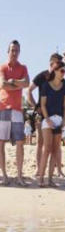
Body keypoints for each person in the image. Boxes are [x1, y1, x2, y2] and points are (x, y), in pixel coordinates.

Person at [26, 52, 62, 180]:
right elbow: (29, 91)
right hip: (42, 114)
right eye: (58, 63)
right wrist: (36, 107)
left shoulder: (60, 76)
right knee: (40, 142)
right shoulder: (43, 76)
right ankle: (38, 167)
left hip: (56, 114)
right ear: (51, 63)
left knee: (56, 144)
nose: (60, 67)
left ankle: (58, 169)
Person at [0, 41, 29, 186]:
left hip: (17, 109)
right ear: (8, 51)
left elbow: (27, 83)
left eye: (17, 50)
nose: (14, 53)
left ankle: (19, 176)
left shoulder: (23, 67)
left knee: (20, 143)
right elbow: (2, 85)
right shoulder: (2, 67)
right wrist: (17, 84)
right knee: (1, 144)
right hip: (3, 108)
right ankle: (4, 175)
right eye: (12, 50)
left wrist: (13, 81)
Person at [37, 59, 65, 187]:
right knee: (47, 149)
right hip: (47, 120)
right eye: (62, 70)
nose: (63, 73)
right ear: (55, 71)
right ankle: (41, 179)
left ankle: (50, 179)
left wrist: (64, 120)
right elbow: (42, 104)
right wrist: (47, 119)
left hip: (59, 119)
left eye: (64, 71)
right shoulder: (46, 85)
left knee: (55, 150)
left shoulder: (64, 87)